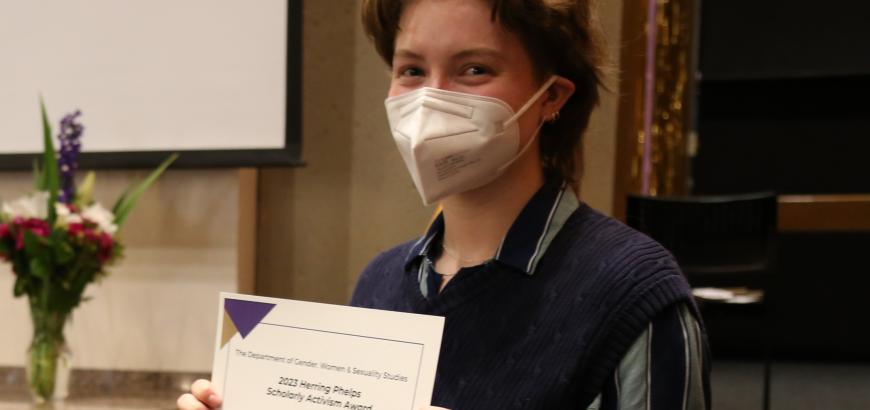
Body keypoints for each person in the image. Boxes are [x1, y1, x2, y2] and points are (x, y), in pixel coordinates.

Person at [178, 0, 710, 409]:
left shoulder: (635, 297)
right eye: (411, 71)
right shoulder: (383, 281)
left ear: (552, 97)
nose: (431, 100)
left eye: (474, 69)